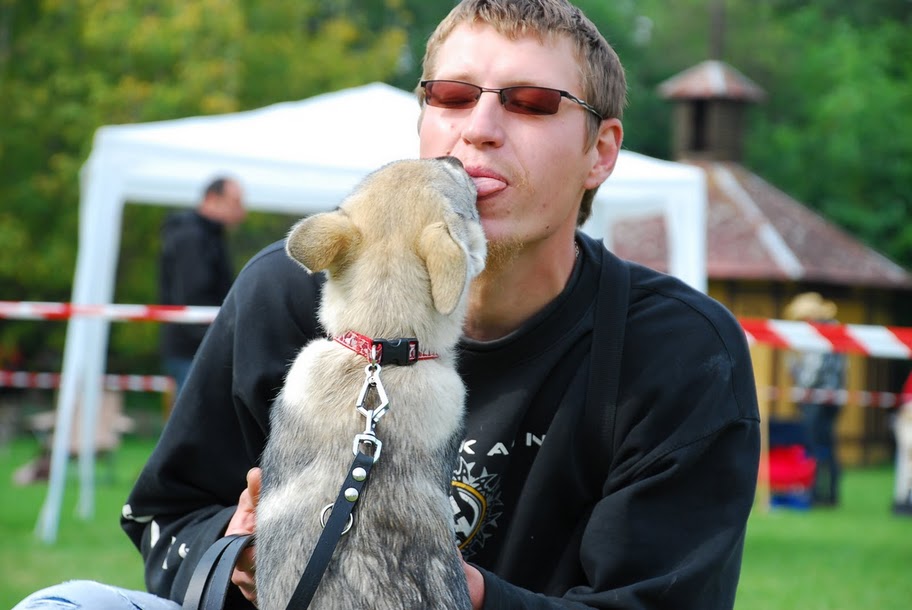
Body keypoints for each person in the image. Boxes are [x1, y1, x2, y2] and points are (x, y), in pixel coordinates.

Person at [13, 1, 760, 608]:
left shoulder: (678, 352)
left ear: (601, 151)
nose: (480, 128)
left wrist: (463, 597)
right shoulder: (291, 289)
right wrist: (239, 552)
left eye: (532, 103)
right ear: (424, 118)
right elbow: (163, 516)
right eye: (453, 96)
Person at [158, 176, 246, 396]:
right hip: (194, 348)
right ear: (212, 198)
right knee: (196, 423)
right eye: (235, 202)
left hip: (199, 346)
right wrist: (218, 340)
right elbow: (192, 297)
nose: (241, 211)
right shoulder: (192, 236)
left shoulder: (207, 235)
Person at [784, 292, 847, 507]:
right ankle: (830, 494)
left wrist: (798, 383)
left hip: (815, 398)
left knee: (814, 446)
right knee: (828, 446)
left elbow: (813, 370)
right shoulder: (836, 328)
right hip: (834, 397)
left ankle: (816, 493)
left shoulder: (819, 332)